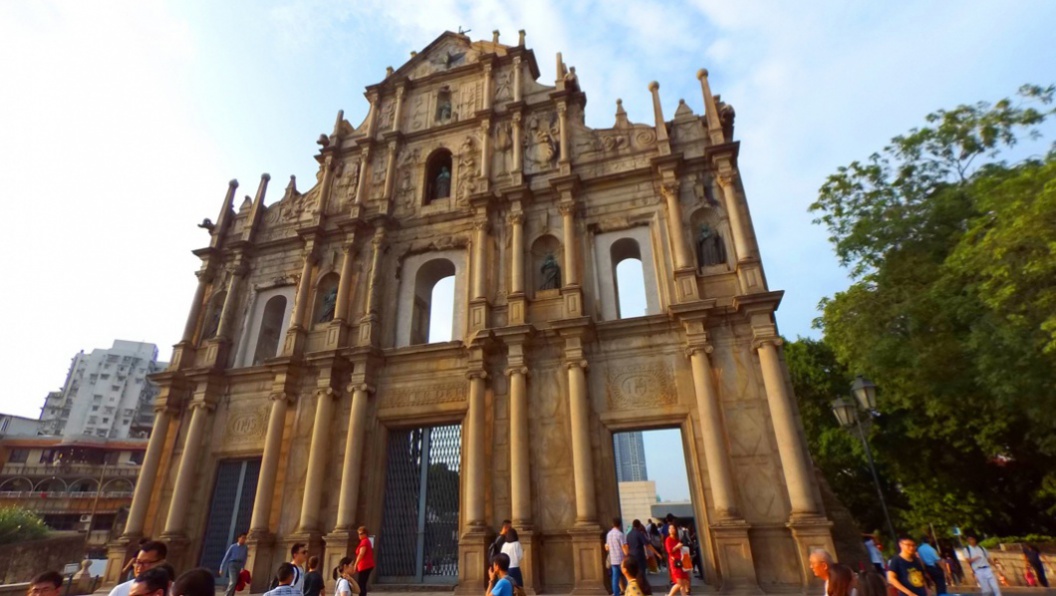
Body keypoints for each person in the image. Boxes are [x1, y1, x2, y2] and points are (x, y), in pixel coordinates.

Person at [625, 520, 654, 595]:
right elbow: (647, 544)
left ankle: (635, 589)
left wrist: (627, 555)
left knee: (634, 574)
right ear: (639, 525)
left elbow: (627, 546)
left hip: (632, 556)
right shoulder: (639, 533)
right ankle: (642, 589)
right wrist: (657, 553)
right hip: (640, 556)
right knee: (641, 573)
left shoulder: (629, 534)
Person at [605, 517, 628, 596]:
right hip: (621, 559)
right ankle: (629, 592)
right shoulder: (620, 534)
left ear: (612, 524)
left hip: (613, 559)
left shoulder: (609, 534)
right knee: (627, 576)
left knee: (615, 578)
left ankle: (616, 593)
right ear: (620, 525)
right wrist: (628, 555)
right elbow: (623, 547)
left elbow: (607, 547)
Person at [664, 524, 689, 596]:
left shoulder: (677, 539)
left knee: (683, 582)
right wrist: (677, 547)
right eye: (669, 528)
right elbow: (669, 551)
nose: (671, 530)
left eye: (672, 528)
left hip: (681, 561)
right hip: (675, 563)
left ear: (675, 530)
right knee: (679, 583)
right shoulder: (668, 539)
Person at [354, 526, 375, 596]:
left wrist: (355, 564)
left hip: (365, 565)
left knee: (361, 583)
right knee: (362, 583)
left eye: (361, 533)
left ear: (365, 534)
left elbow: (361, 554)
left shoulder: (364, 542)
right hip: (365, 565)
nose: (359, 535)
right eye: (359, 534)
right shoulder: (365, 541)